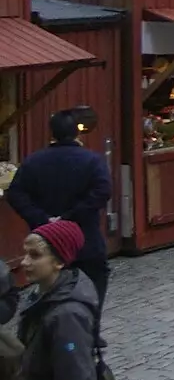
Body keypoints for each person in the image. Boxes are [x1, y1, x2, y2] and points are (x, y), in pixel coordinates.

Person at [0, 221, 100, 380]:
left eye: (35, 256)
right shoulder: (42, 297)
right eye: (25, 254)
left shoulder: (67, 314)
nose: (24, 262)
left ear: (59, 261)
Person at [5, 108, 113, 315]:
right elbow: (102, 191)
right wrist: (70, 217)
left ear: (52, 134)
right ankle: (90, 330)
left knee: (49, 289)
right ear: (77, 133)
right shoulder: (91, 160)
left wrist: (42, 219)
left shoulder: (33, 161)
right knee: (94, 283)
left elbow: (15, 194)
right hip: (85, 238)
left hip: (46, 241)